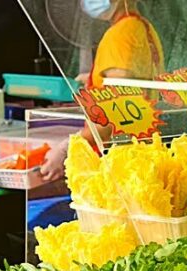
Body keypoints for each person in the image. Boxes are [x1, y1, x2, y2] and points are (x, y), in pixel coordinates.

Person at [38, 0, 164, 182]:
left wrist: (68, 148)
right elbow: (135, 86)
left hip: (124, 163)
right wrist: (95, 82)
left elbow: (117, 113)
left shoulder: (120, 35)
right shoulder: (143, 27)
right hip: (145, 157)